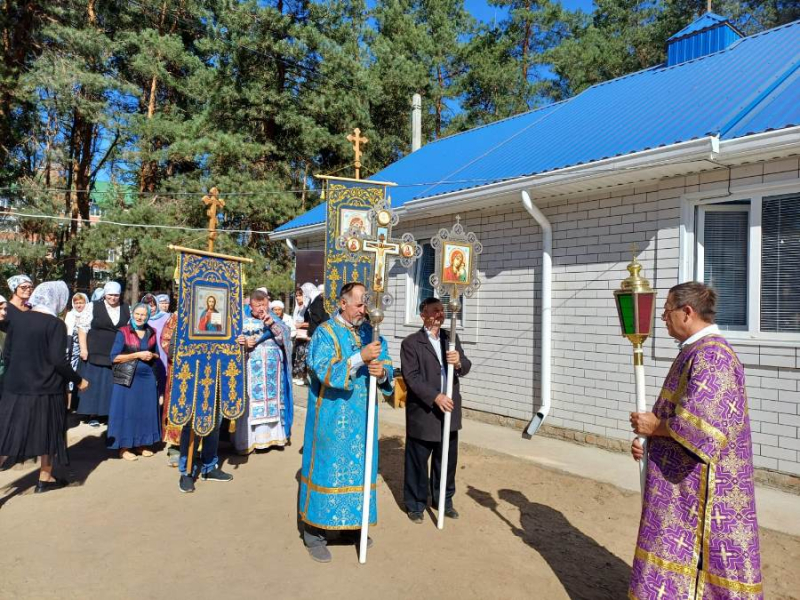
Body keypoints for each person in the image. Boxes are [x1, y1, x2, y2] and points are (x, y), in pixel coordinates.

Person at [628, 282, 762, 599]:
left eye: (667, 310)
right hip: (682, 486)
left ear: (687, 312)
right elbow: (683, 415)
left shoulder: (713, 357)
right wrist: (651, 443)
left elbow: (703, 430)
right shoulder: (695, 351)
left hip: (705, 497)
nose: (662, 317)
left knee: (705, 569)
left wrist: (654, 426)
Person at [298, 282, 393, 563]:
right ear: (342, 303)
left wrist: (382, 372)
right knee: (327, 470)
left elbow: (386, 362)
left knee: (360, 470)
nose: (365, 310)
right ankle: (314, 533)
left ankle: (353, 526)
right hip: (332, 415)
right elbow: (321, 368)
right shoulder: (325, 333)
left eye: (368, 304)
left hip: (363, 417)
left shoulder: (370, 332)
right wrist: (358, 358)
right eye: (360, 303)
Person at [0, 281, 89, 493]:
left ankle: (45, 478)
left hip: (16, 387)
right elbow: (58, 360)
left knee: (8, 435)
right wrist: (79, 380)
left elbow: (8, 354)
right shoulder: (55, 324)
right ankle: (44, 478)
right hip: (47, 389)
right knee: (49, 432)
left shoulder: (19, 319)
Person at [400, 297, 471, 523]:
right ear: (423, 315)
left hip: (449, 411)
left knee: (446, 461)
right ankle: (416, 504)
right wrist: (435, 396)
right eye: (435, 311)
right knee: (418, 462)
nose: (440, 315)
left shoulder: (450, 338)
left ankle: (443, 500)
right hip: (424, 413)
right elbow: (411, 377)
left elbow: (466, 366)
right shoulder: (411, 343)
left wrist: (458, 361)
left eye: (442, 311)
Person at [233, 290, 293, 454]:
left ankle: (273, 439)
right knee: (252, 404)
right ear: (250, 305)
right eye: (258, 305)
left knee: (273, 403)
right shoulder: (241, 320)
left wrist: (272, 324)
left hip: (273, 370)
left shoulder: (274, 319)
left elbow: (284, 339)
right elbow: (232, 341)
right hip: (252, 369)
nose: (261, 308)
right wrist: (243, 343)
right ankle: (250, 441)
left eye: (264, 304)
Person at [107, 303, 165, 461]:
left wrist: (150, 356)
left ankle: (142, 444)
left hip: (147, 377)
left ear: (148, 316)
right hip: (127, 377)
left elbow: (157, 355)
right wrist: (137, 355)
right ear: (132, 314)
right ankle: (124, 447)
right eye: (138, 314)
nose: (140, 317)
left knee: (144, 411)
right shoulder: (123, 332)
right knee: (127, 412)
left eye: (144, 315)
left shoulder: (151, 332)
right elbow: (114, 357)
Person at [76, 281, 131, 426]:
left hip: (117, 353)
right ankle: (92, 414)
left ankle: (108, 414)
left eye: (116, 295)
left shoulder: (126, 308)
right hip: (96, 351)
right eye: (110, 295)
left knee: (111, 386)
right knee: (95, 384)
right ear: (105, 294)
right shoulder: (93, 306)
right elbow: (82, 328)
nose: (113, 298)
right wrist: (83, 349)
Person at [159, 311, 182, 463]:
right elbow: (166, 339)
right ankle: (176, 446)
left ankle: (200, 446)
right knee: (177, 405)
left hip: (204, 368)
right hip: (180, 368)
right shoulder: (177, 315)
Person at [64, 292, 89, 409]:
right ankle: (69, 406)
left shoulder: (90, 315)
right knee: (71, 376)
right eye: (76, 303)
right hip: (72, 351)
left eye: (81, 302)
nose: (79, 305)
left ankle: (82, 405)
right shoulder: (70, 315)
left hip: (87, 351)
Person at [291, 283, 315, 385]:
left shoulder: (308, 308)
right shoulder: (297, 308)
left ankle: (303, 377)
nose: (297, 297)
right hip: (298, 336)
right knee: (298, 355)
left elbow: (312, 322)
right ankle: (300, 376)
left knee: (304, 355)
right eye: (296, 295)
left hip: (306, 336)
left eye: (299, 295)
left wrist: (300, 325)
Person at [141, 293, 170, 371]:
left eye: (153, 306)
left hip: (163, 350)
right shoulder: (139, 318)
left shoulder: (166, 317)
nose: (151, 309)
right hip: (146, 350)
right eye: (147, 306)